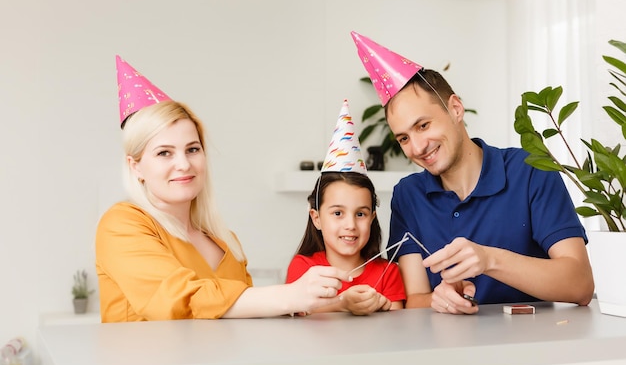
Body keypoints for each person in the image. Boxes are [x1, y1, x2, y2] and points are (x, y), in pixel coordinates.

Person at [350, 31, 594, 314]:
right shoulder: (408, 195)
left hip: (533, 348)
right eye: (403, 138)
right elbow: (415, 297)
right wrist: (440, 298)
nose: (417, 147)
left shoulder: (531, 171)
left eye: (423, 125)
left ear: (455, 109)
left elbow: (581, 285)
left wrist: (488, 259)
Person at [95, 56, 346, 322]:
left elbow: (240, 313)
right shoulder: (121, 224)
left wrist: (335, 303)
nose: (183, 164)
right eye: (164, 153)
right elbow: (177, 301)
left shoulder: (224, 240)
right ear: (136, 167)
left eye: (192, 149)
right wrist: (289, 294)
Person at [286, 100, 405, 315]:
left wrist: (384, 308)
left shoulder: (388, 272)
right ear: (316, 218)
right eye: (338, 213)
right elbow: (299, 315)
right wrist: (343, 303)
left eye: (360, 214)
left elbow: (398, 329)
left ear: (372, 218)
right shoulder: (304, 268)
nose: (350, 225)